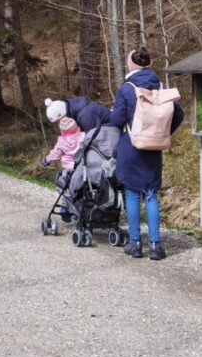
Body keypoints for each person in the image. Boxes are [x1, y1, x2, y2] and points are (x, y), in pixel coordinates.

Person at [108, 47, 184, 260]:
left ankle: (135, 244)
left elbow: (116, 121)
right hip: (154, 149)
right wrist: (162, 133)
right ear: (149, 64)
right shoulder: (160, 87)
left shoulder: (126, 89)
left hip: (131, 148)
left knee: (132, 193)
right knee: (151, 194)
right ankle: (155, 246)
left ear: (131, 64)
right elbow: (178, 114)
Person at [44, 96, 110, 133]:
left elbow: (92, 138)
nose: (59, 124)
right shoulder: (76, 111)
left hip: (111, 131)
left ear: (63, 115)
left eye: (58, 122)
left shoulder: (85, 115)